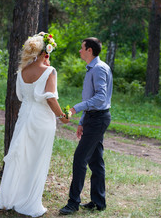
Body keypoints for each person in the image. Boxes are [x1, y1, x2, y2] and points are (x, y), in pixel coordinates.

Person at [0, 32, 69, 217]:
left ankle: (10, 199)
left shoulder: (22, 72)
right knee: (37, 161)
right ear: (47, 52)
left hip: (24, 117)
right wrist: (62, 117)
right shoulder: (49, 71)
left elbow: (21, 96)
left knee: (21, 158)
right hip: (41, 120)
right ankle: (29, 203)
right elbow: (50, 98)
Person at [59, 37, 113, 215]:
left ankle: (73, 203)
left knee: (80, 158)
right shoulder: (92, 68)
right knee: (96, 161)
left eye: (82, 48)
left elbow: (99, 98)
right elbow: (90, 99)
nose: (80, 51)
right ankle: (99, 202)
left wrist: (75, 109)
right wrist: (82, 121)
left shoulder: (98, 69)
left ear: (90, 50)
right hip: (92, 118)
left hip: (98, 119)